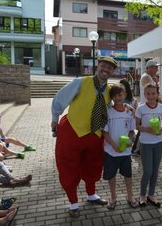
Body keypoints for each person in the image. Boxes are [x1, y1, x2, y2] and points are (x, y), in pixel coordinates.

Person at [51, 56, 118, 218]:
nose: (105, 70)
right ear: (98, 66)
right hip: (73, 131)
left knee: (93, 165)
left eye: (109, 68)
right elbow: (59, 99)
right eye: (103, 66)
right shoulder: (81, 82)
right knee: (68, 166)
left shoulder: (110, 91)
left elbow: (111, 110)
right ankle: (73, 203)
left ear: (113, 71)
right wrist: (54, 120)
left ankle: (91, 195)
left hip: (95, 134)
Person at [102, 84, 138, 210]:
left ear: (125, 95)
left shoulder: (129, 112)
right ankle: (113, 197)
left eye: (120, 95)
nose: (118, 98)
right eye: (115, 96)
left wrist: (130, 140)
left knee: (128, 175)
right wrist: (113, 145)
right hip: (111, 151)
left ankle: (130, 197)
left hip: (125, 152)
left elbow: (132, 131)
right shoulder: (108, 112)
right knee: (111, 176)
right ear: (111, 97)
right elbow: (105, 133)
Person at [135, 84, 162, 208]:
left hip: (158, 143)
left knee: (155, 171)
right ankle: (142, 195)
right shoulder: (141, 108)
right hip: (145, 143)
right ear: (144, 95)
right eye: (148, 94)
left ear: (157, 94)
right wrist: (146, 129)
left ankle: (151, 194)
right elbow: (136, 125)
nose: (151, 96)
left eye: (153, 93)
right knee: (147, 171)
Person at [139, 60, 162, 151]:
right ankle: (138, 148)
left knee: (155, 126)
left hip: (151, 105)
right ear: (148, 68)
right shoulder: (146, 77)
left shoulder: (150, 77)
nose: (157, 69)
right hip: (147, 105)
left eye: (156, 67)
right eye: (155, 67)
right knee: (149, 126)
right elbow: (152, 93)